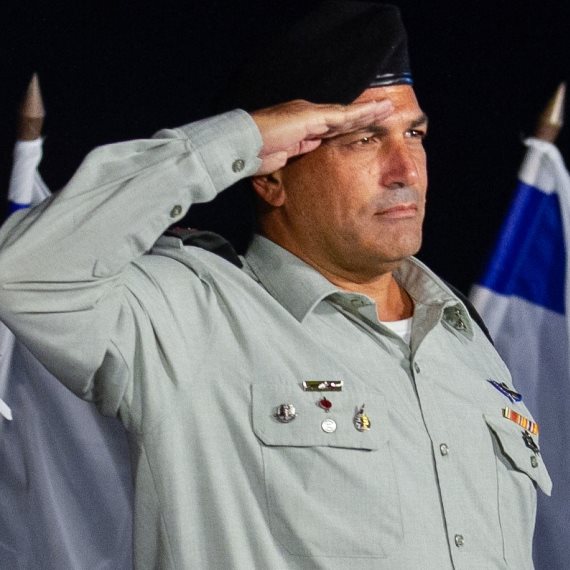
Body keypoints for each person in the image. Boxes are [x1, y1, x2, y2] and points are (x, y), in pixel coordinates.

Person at [0, 2, 551, 568]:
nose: (405, 169)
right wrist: (238, 140)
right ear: (271, 174)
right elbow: (21, 272)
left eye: (413, 133)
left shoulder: (465, 343)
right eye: (363, 139)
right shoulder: (192, 316)